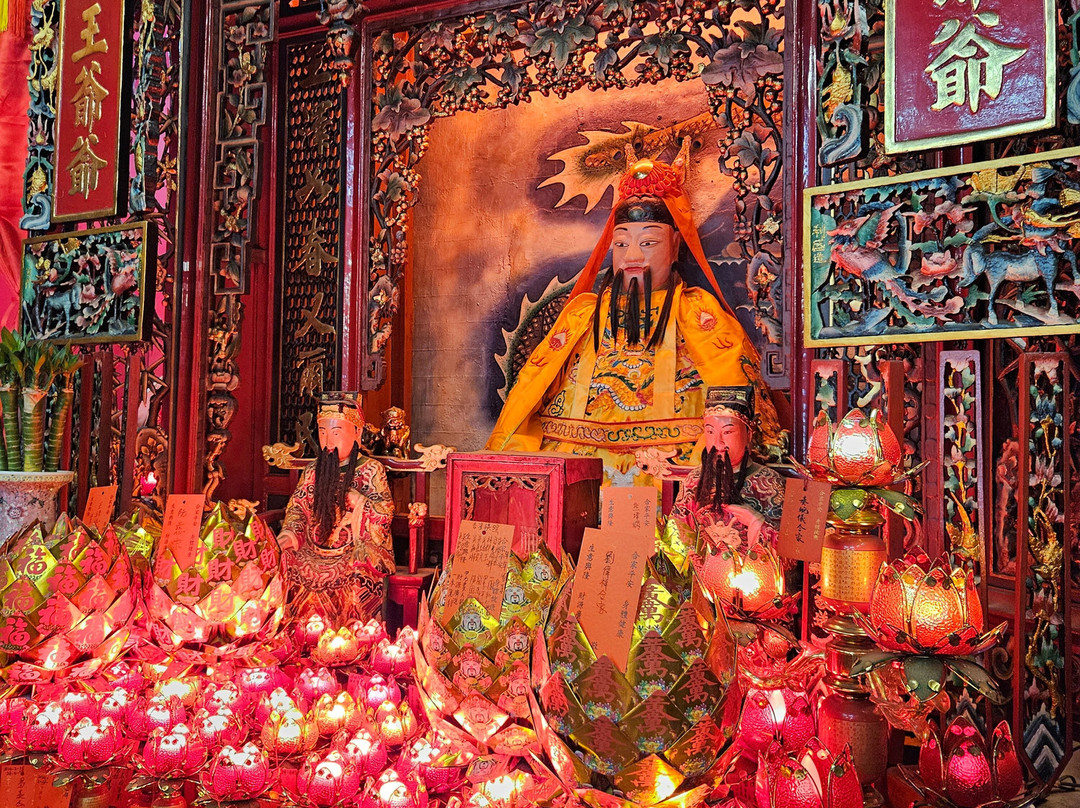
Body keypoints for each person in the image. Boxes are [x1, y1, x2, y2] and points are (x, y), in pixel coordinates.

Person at [486, 142, 783, 485]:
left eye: (649, 243)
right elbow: (529, 392)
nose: (632, 256)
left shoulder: (697, 312)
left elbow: (733, 386)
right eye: (622, 243)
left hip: (670, 467)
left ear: (674, 246)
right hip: (574, 463)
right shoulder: (583, 315)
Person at [278, 392, 396, 621]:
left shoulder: (371, 470)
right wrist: (289, 534)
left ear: (357, 433)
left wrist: (358, 501)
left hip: (354, 548)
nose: (328, 441)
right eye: (322, 433)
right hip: (313, 548)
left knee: (354, 571)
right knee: (287, 562)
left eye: (336, 432)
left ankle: (351, 636)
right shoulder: (314, 470)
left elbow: (385, 513)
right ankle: (297, 631)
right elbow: (298, 507)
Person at [669, 385, 784, 549]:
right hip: (704, 572)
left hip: (753, 572)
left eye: (728, 432)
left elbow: (789, 556)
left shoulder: (769, 483)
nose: (719, 443)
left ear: (748, 435)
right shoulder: (694, 481)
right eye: (710, 432)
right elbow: (675, 542)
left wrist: (756, 522)